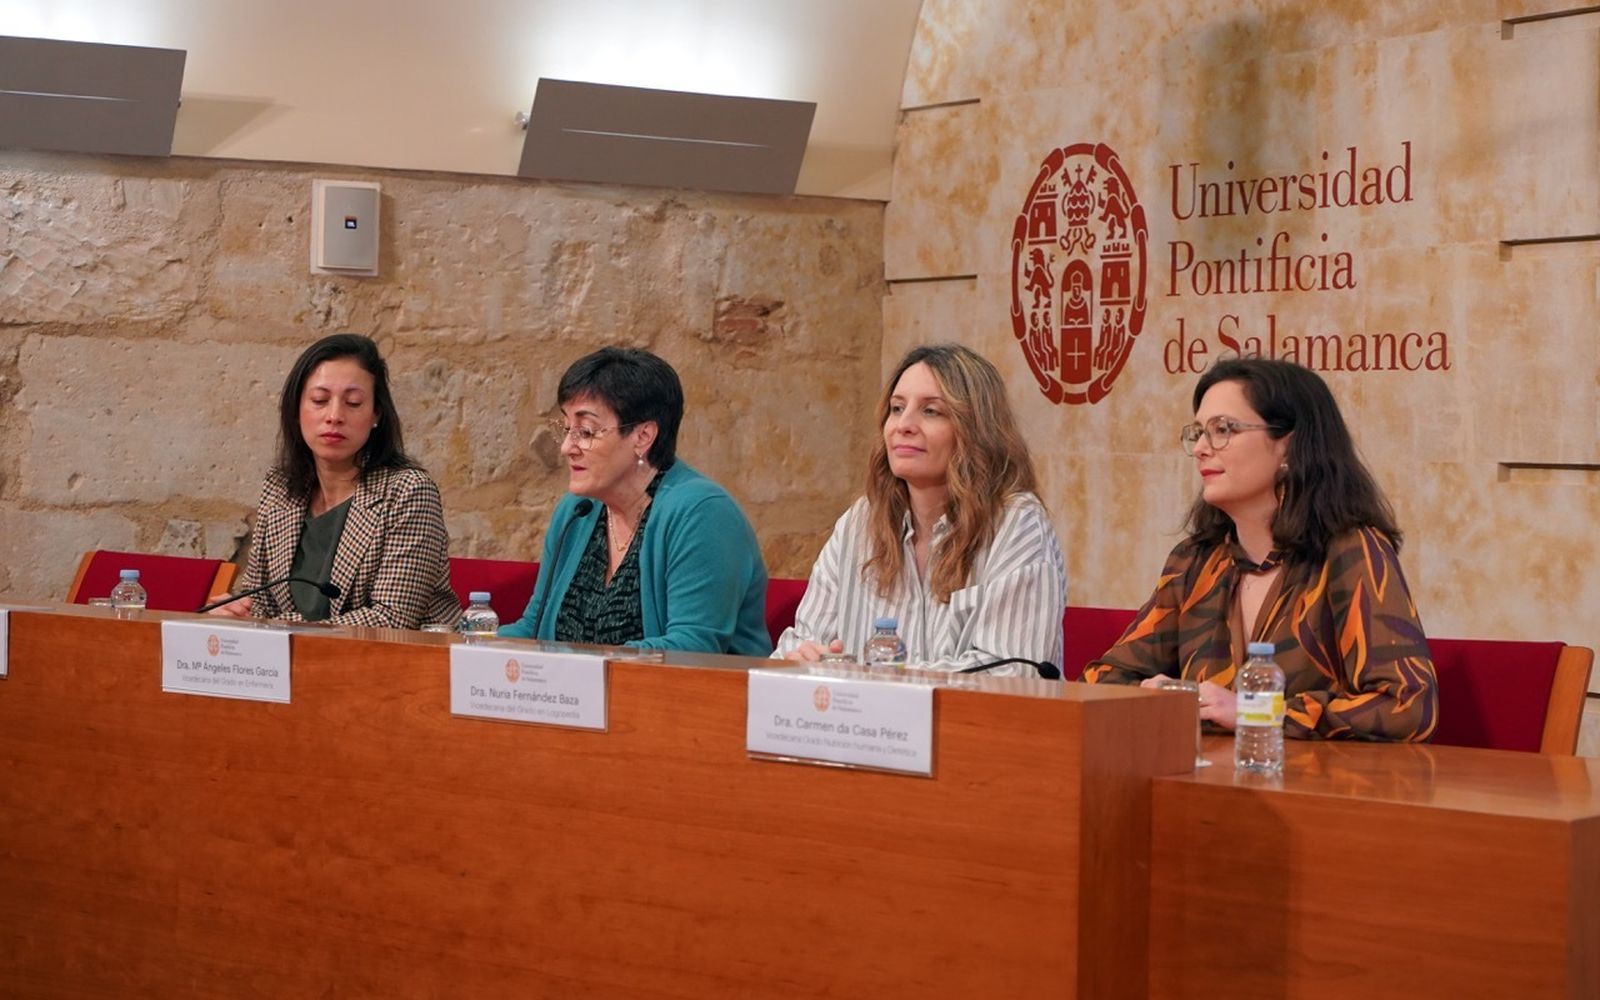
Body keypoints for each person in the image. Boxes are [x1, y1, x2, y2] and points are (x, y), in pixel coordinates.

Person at [1083, 357, 1438, 741]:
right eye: (1199, 432)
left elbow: (1407, 706)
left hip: (1313, 789)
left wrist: (1256, 712)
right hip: (1205, 785)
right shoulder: (1195, 561)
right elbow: (1101, 679)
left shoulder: (1351, 551)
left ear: (1289, 445)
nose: (1202, 448)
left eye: (1223, 430)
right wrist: (1162, 697)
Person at [774, 344, 1067, 674]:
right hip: (863, 723)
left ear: (977, 431)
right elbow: (796, 644)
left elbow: (1014, 673)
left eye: (931, 411)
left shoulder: (1015, 523)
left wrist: (872, 678)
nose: (904, 425)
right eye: (897, 408)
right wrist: (802, 659)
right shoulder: (860, 521)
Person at [500, 347, 770, 655]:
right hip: (580, 698)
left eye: (585, 432)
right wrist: (466, 646)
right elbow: (534, 628)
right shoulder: (576, 512)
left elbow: (693, 646)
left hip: (687, 699)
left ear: (642, 437)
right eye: (566, 429)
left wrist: (578, 669)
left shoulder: (702, 512)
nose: (566, 447)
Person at [209, 334, 460, 629]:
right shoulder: (279, 488)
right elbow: (259, 598)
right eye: (320, 400)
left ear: (376, 414)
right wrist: (236, 613)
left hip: (392, 665)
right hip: (291, 663)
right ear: (296, 409)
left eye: (353, 403)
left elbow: (391, 619)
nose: (334, 416)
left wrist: (268, 624)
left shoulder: (407, 492)